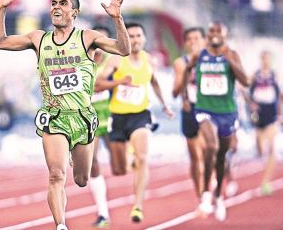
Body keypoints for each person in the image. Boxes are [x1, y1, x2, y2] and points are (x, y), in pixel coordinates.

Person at [0, 0, 131, 230]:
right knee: (56, 175)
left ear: (74, 12)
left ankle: (76, 157)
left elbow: (123, 49)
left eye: (63, 3)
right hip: (54, 116)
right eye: (53, 3)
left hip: (83, 116)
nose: (56, 7)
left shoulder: (87, 38)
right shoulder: (39, 39)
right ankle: (61, 225)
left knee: (82, 179)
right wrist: (1, 10)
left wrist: (117, 19)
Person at [95, 22, 174, 223]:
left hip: (140, 115)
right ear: (124, 39)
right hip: (118, 117)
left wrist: (164, 104)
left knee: (143, 158)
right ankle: (128, 159)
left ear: (144, 38)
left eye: (138, 36)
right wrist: (119, 82)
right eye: (130, 36)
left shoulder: (151, 61)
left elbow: (154, 81)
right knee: (119, 169)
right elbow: (97, 85)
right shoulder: (116, 60)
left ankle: (137, 206)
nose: (135, 40)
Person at [187, 21, 249, 221]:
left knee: (221, 157)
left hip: (227, 113)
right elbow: (186, 72)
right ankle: (206, 195)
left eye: (218, 32)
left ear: (225, 35)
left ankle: (218, 196)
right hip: (205, 110)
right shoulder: (200, 55)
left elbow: (245, 81)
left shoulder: (232, 54)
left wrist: (230, 61)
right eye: (211, 31)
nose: (214, 34)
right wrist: (185, 98)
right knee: (211, 147)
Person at [172, 27, 206, 205]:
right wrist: (187, 71)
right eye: (190, 39)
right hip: (190, 110)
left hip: (209, 110)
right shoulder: (180, 62)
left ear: (205, 40)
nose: (194, 42)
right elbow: (175, 92)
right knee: (196, 157)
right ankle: (201, 193)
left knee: (208, 151)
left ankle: (209, 188)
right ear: (185, 44)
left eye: (197, 38)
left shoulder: (213, 60)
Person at [88, 25, 112, 228]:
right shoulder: (79, 62)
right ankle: (102, 212)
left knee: (122, 164)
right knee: (92, 162)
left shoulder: (114, 62)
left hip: (112, 115)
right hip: (91, 117)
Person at [248, 50, 281, 195]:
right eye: (264, 59)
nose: (266, 61)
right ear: (261, 60)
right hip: (258, 114)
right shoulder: (255, 75)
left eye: (268, 59)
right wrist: (251, 104)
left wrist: (280, 114)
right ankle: (261, 156)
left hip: (271, 114)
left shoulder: (275, 76)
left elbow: (280, 96)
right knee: (260, 147)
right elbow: (246, 92)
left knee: (271, 147)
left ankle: (266, 182)